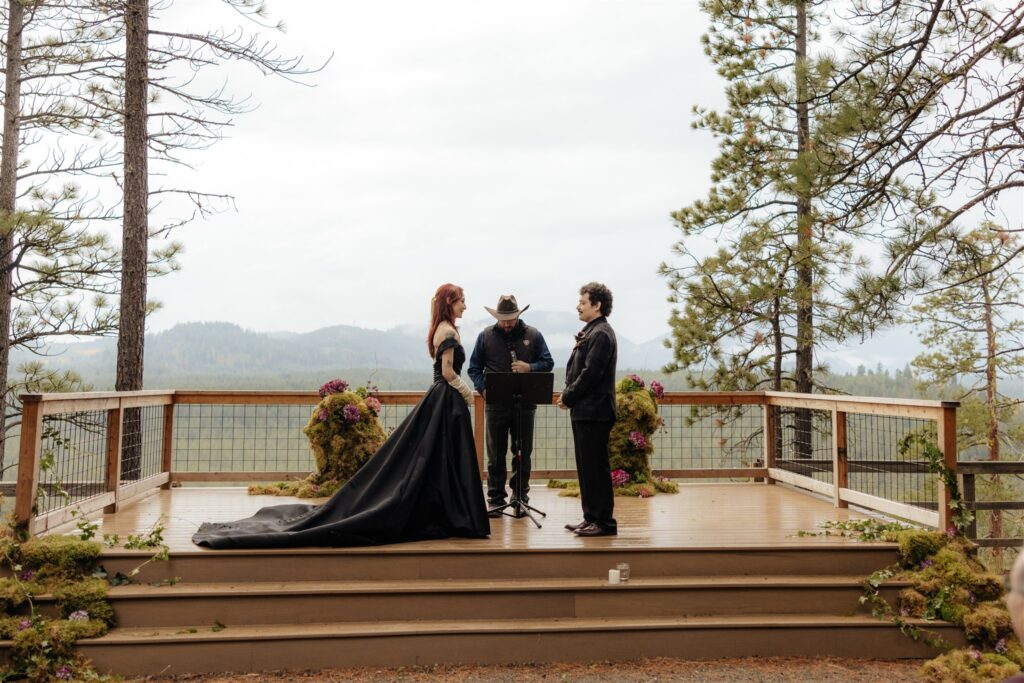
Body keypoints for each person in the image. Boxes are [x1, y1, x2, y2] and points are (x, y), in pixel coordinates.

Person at [192, 284, 490, 549]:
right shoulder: (448, 333)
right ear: (450, 302)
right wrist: (466, 394)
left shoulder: (439, 330)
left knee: (438, 457)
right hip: (447, 399)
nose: (465, 306)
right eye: (462, 300)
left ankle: (449, 511)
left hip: (439, 399)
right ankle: (455, 513)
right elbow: (449, 372)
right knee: (445, 457)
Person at [468, 295, 554, 515]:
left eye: (510, 319)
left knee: (523, 452)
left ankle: (519, 498)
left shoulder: (533, 335)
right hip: (495, 404)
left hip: (525, 404)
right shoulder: (485, 336)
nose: (506, 324)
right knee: (495, 454)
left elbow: (548, 362)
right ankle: (496, 500)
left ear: (518, 315)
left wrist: (530, 368)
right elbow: (474, 369)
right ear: (497, 317)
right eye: (503, 320)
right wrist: (484, 390)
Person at [557, 282, 618, 537]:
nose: (578, 306)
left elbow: (590, 374)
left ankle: (604, 522)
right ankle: (590, 517)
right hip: (585, 411)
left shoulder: (602, 334)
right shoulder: (592, 331)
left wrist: (568, 396)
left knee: (596, 468)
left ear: (597, 305)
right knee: (586, 468)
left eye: (583, 302)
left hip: (595, 412)